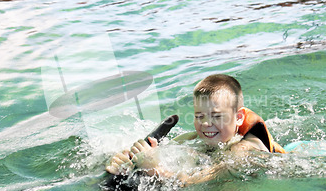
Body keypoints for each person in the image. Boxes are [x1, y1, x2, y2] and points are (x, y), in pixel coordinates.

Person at [105, 74, 285, 185]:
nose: (206, 123)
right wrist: (130, 160)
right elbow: (162, 153)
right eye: (199, 116)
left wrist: (155, 169)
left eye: (216, 116)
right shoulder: (190, 139)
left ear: (238, 118)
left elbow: (196, 182)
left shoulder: (242, 150)